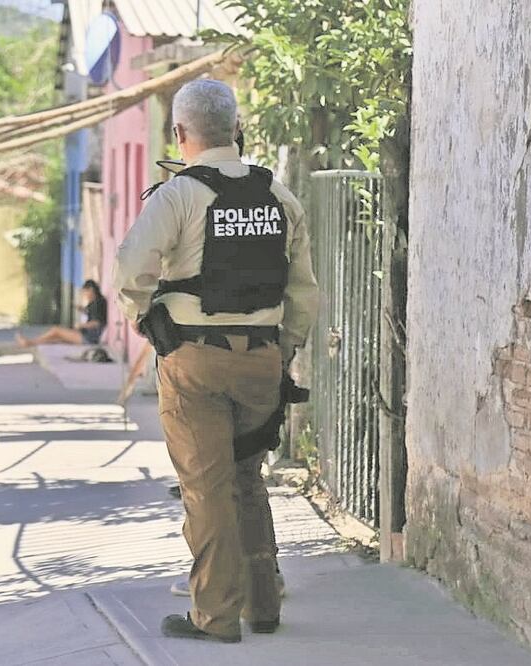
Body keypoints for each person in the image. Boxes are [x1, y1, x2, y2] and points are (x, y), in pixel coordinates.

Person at [114, 79, 318, 643]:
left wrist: (141, 318)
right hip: (263, 363)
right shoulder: (280, 197)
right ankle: (264, 603)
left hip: (194, 363)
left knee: (206, 489)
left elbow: (131, 268)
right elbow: (304, 295)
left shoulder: (177, 195)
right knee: (246, 477)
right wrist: (283, 350)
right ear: (236, 128)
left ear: (180, 134)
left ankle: (215, 617)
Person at [15, 279, 107, 347]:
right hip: (88, 336)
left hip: (89, 338)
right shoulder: (96, 302)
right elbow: (90, 312)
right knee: (57, 338)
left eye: (85, 292)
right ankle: (30, 342)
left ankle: (29, 342)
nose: (85, 295)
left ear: (91, 290)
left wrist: (81, 325)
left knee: (56, 330)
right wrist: (79, 308)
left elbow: (97, 322)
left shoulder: (98, 303)